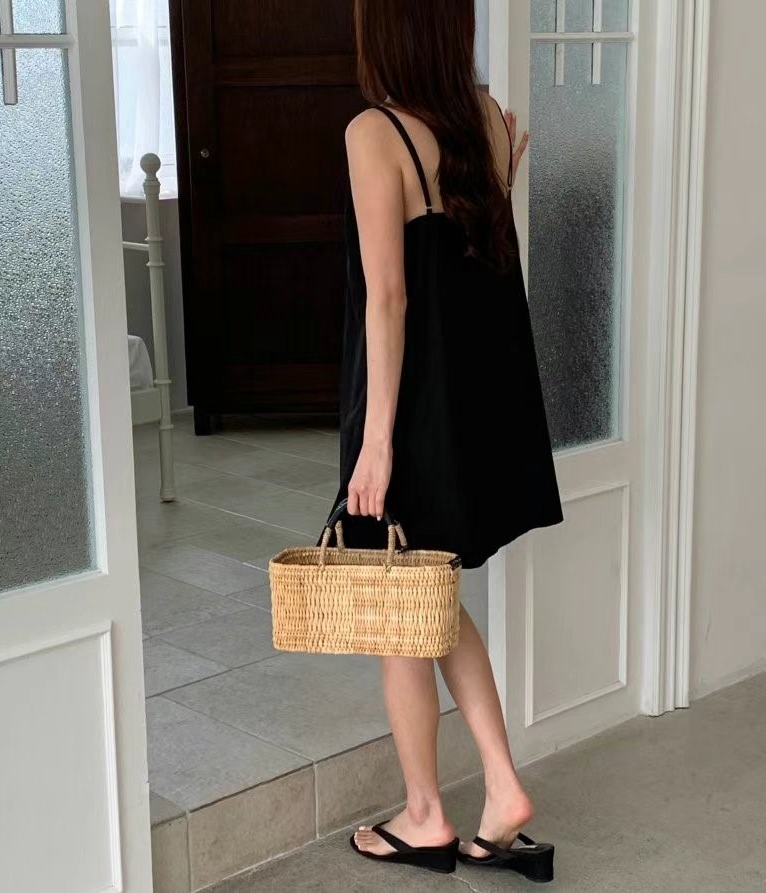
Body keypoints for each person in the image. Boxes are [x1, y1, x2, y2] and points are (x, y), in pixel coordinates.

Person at [331, 0, 563, 881]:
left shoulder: (373, 133)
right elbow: (473, 269)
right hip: (472, 407)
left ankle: (425, 813)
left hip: (409, 409)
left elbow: (388, 297)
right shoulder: (486, 123)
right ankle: (501, 786)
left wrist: (376, 442)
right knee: (430, 592)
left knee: (399, 602)